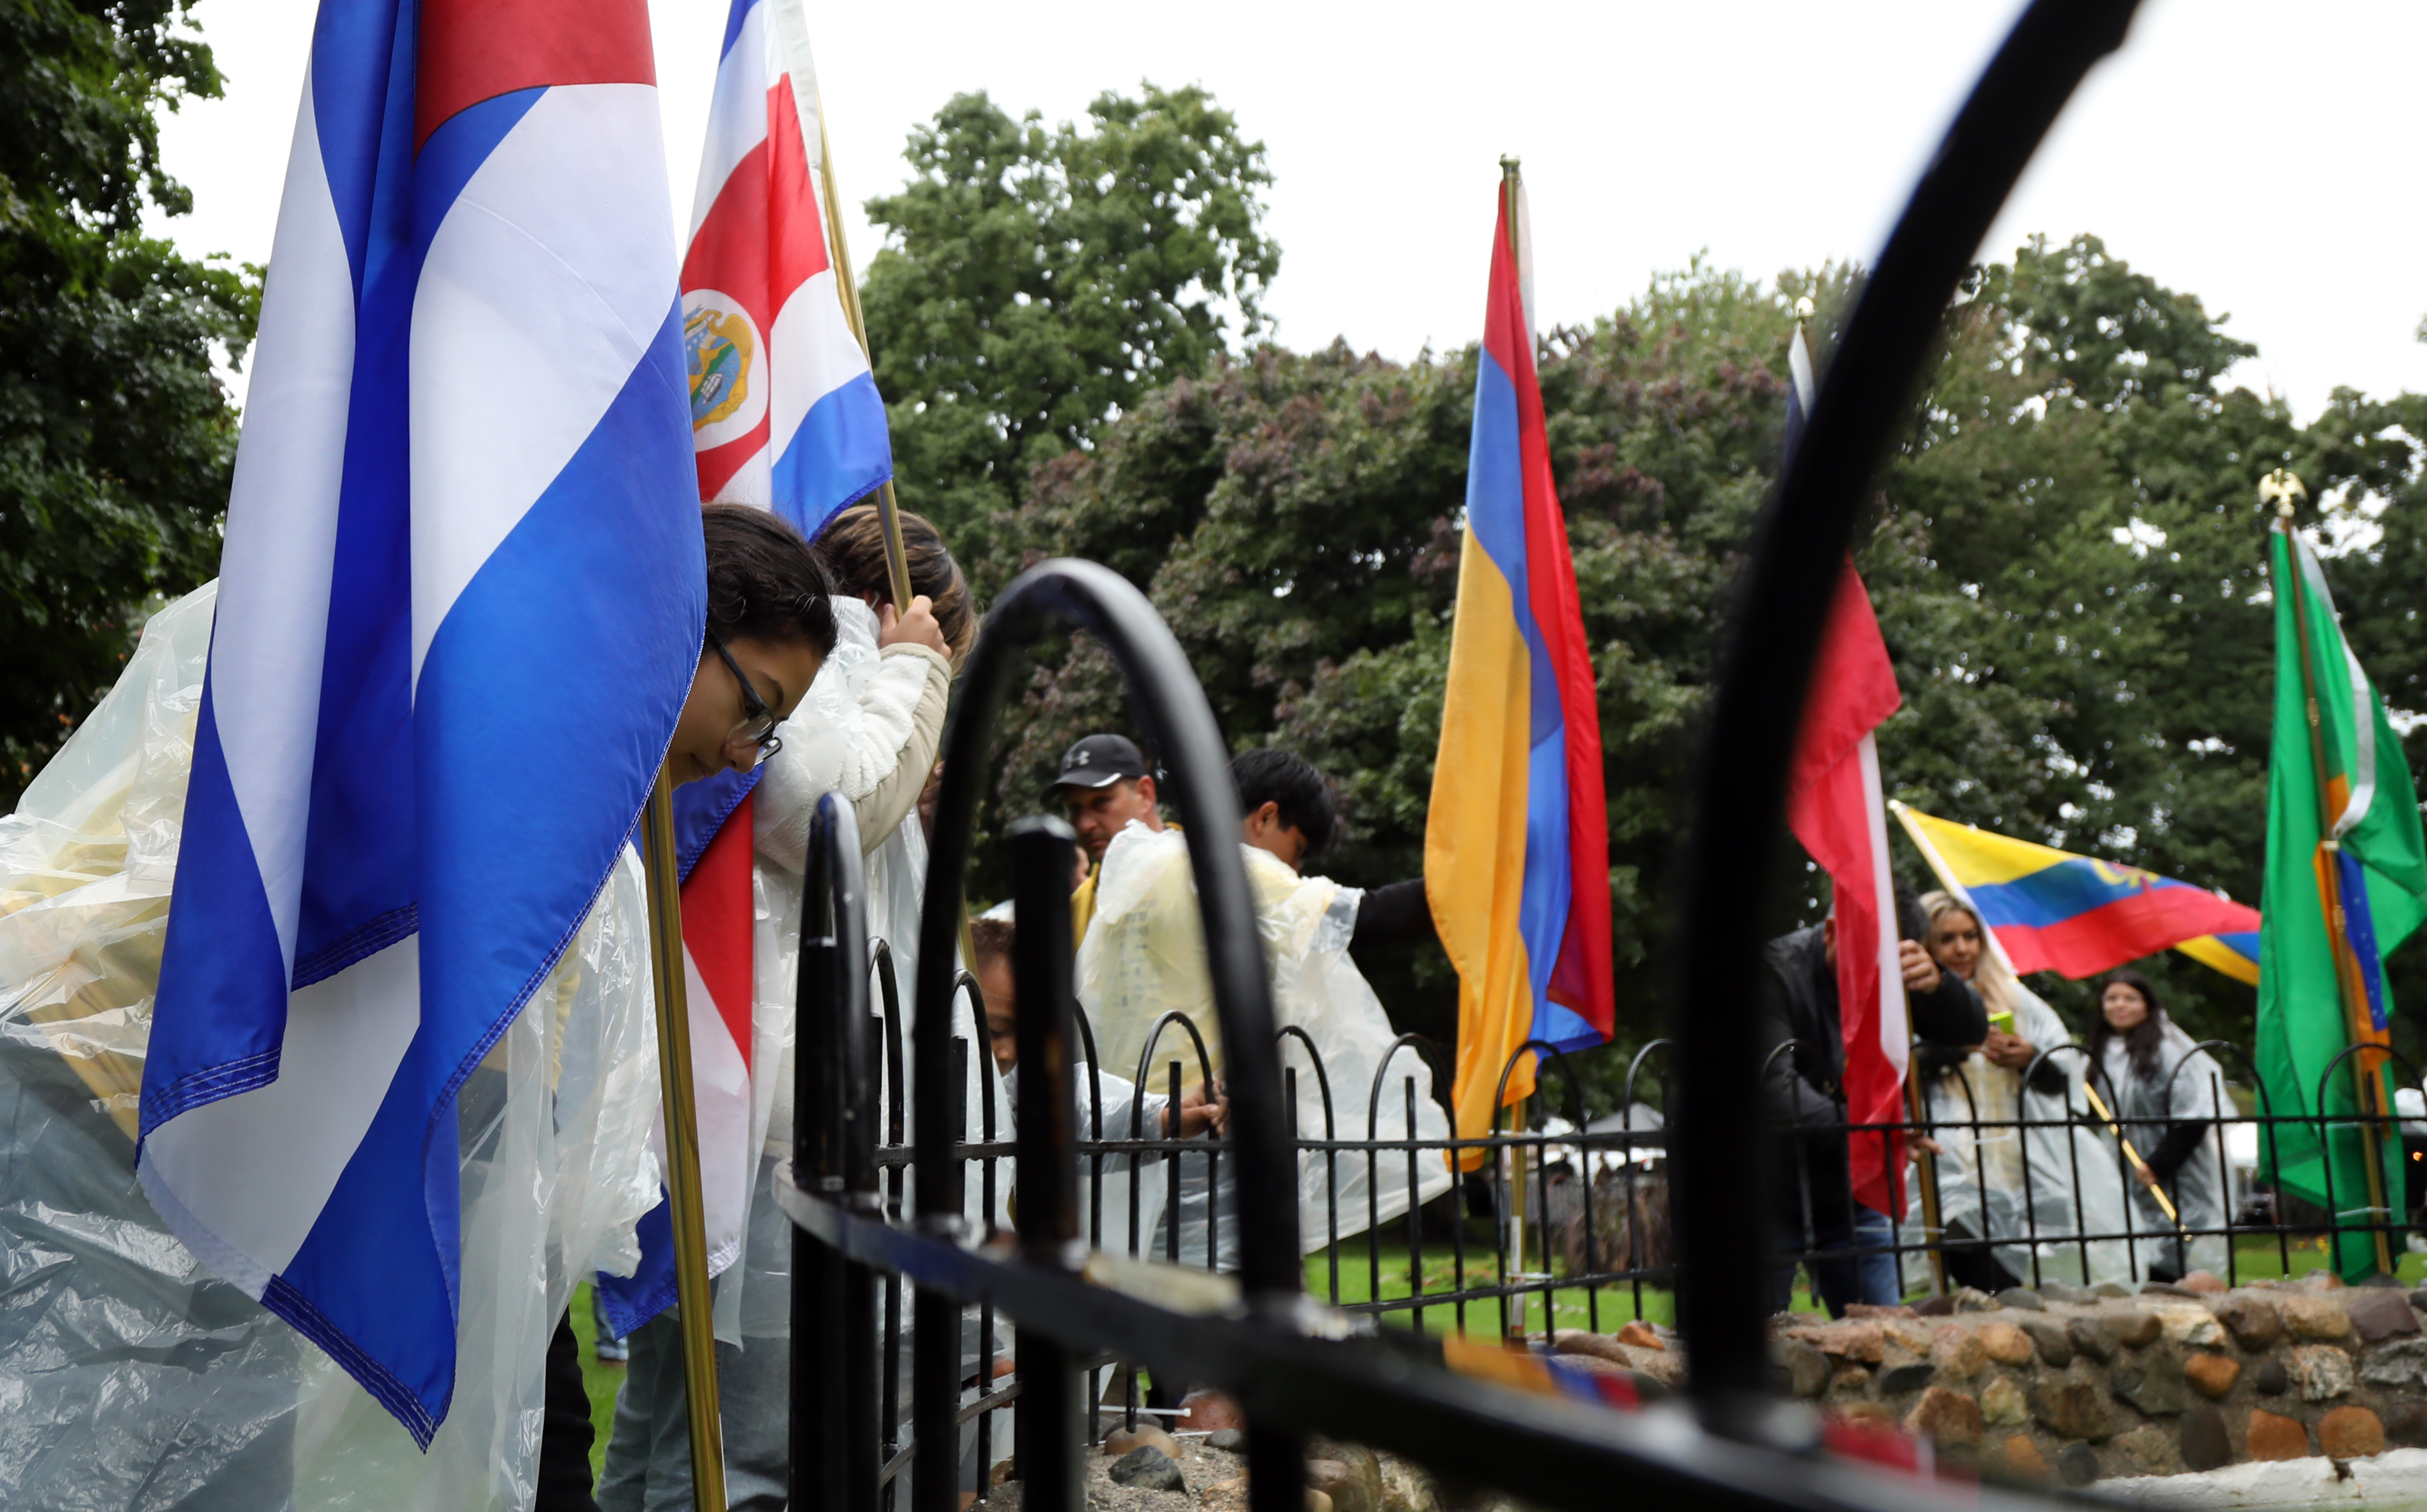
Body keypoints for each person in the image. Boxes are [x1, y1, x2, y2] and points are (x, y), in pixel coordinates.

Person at [0, 503, 838, 1511]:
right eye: (756, 705)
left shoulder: (563, 784)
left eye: (771, 733)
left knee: (207, 1474)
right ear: (673, 619)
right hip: (95, 1105)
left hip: (234, 1184)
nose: (749, 754)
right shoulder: (440, 676)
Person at [600, 502, 988, 1512]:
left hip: (756, 1106)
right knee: (743, 1453)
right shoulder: (840, 658)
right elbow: (824, 810)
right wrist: (912, 668)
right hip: (774, 1125)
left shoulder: (828, 677)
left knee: (680, 1437)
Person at [1230, 748, 1457, 1249]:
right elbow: (1366, 917)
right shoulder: (1231, 873)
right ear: (1266, 818)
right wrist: (1475, 881)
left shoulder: (1152, 867)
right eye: (1298, 847)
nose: (1296, 867)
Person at [1759, 900, 1987, 1316]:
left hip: (1850, 1188)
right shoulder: (1772, 970)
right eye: (1865, 960)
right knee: (1755, 1350)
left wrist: (1939, 983)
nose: (1873, 979)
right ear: (1831, 933)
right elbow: (1774, 1087)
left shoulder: (1896, 971)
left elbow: (1971, 1032)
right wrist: (1873, 1134)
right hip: (1765, 1186)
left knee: (1883, 1337)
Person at [1908, 893, 2129, 1290]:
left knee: (2009, 1264)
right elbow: (1898, 1068)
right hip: (1947, 1161)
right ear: (1926, 944)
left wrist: (2029, 1057)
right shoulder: (1911, 1001)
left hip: (2011, 1162)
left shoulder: (2017, 998)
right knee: (1973, 1256)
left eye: (1971, 936)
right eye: (1947, 939)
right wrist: (1953, 1050)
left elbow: (2066, 1075)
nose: (1962, 948)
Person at [2087, 969, 2230, 1281]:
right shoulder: (2108, 1053)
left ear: (2148, 1006)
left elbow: (2196, 1114)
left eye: (2130, 998)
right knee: (2137, 1253)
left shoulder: (2168, 1051)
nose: (2119, 1005)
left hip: (2176, 1176)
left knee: (2169, 1259)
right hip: (2132, 1173)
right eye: (2111, 998)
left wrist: (2159, 1163)